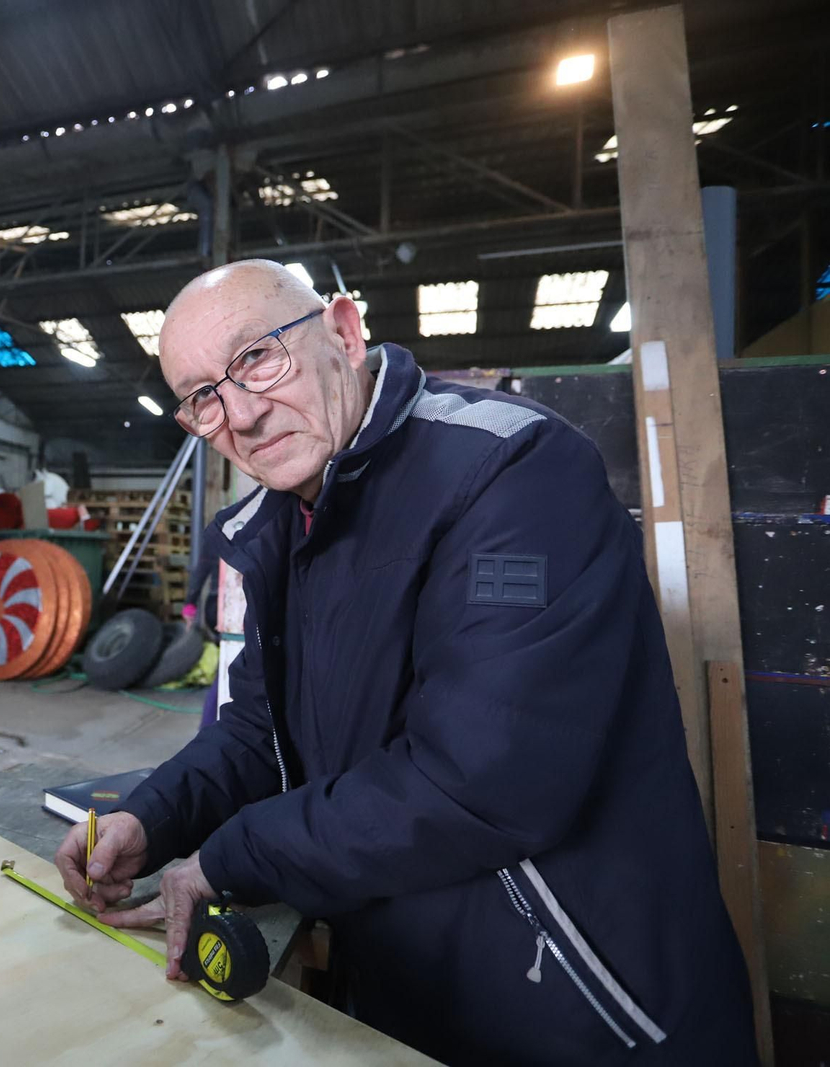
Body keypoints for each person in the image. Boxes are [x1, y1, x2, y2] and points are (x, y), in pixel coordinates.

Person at [54, 260, 756, 1066]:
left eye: (257, 358)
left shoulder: (511, 471)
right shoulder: (273, 525)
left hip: (581, 1003)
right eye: (203, 396)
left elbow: (484, 777)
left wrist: (227, 857)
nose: (240, 413)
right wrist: (153, 816)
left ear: (345, 333)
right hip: (409, 992)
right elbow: (259, 729)